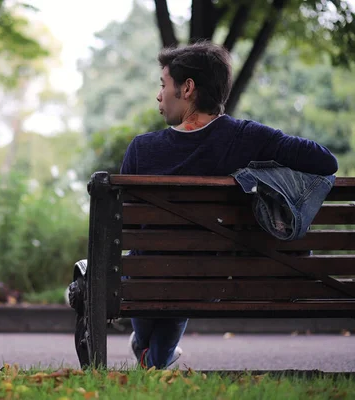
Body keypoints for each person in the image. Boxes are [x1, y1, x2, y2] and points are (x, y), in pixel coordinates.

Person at [121, 41, 338, 370]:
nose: (158, 94)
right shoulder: (248, 137)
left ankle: (144, 349)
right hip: (213, 281)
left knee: (146, 263)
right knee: (180, 275)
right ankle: (149, 355)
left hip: (148, 279)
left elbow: (126, 229)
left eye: (163, 85)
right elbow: (325, 161)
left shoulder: (141, 150)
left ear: (188, 88)